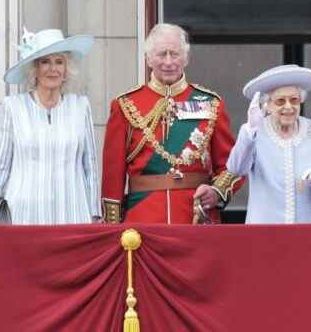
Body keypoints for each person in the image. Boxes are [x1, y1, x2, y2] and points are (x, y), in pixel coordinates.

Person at [101, 23, 240, 224]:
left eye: (174, 54)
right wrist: (112, 226)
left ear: (186, 58)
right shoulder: (125, 105)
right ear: (148, 58)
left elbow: (232, 164)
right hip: (143, 217)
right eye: (161, 54)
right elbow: (112, 173)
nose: (168, 62)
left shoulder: (211, 103)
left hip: (195, 216)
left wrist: (217, 192)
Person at [0, 28, 100, 224]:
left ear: (66, 70)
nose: (53, 69)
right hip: (24, 215)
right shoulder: (14, 107)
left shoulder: (80, 106)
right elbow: (1, 164)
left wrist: (95, 213)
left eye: (59, 62)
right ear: (34, 69)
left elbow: (90, 165)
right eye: (45, 61)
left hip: (72, 214)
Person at [227, 64, 311, 223]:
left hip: (307, 236)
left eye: (294, 100)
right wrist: (250, 129)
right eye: (280, 101)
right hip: (264, 235)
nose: (288, 106)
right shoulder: (254, 132)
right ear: (267, 105)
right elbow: (236, 169)